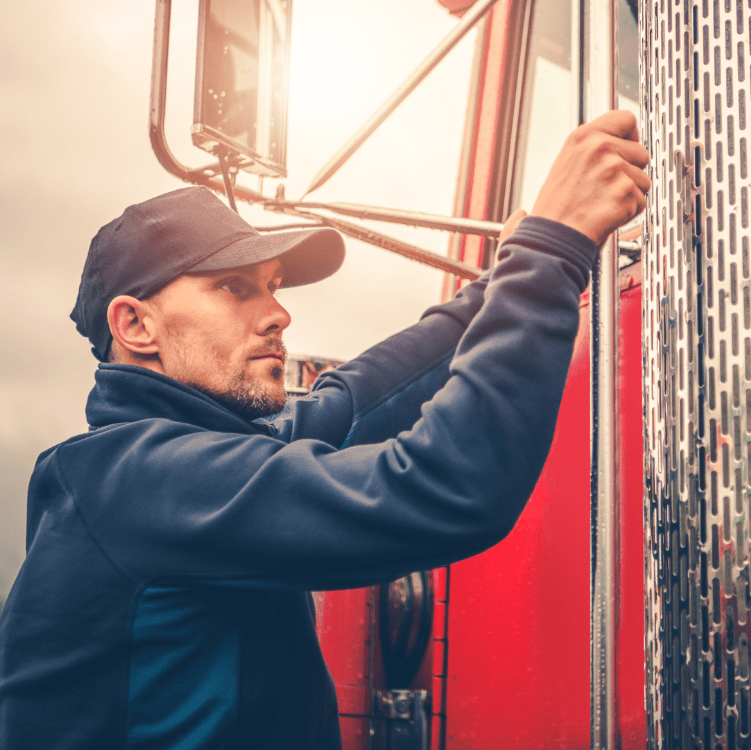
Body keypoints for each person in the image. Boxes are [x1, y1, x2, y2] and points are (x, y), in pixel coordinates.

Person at [0, 110, 649, 749]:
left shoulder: (186, 466)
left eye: (273, 287)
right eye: (234, 288)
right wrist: (550, 250)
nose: (279, 313)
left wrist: (503, 278)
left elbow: (355, 402)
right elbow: (447, 484)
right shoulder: (139, 482)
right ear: (136, 325)